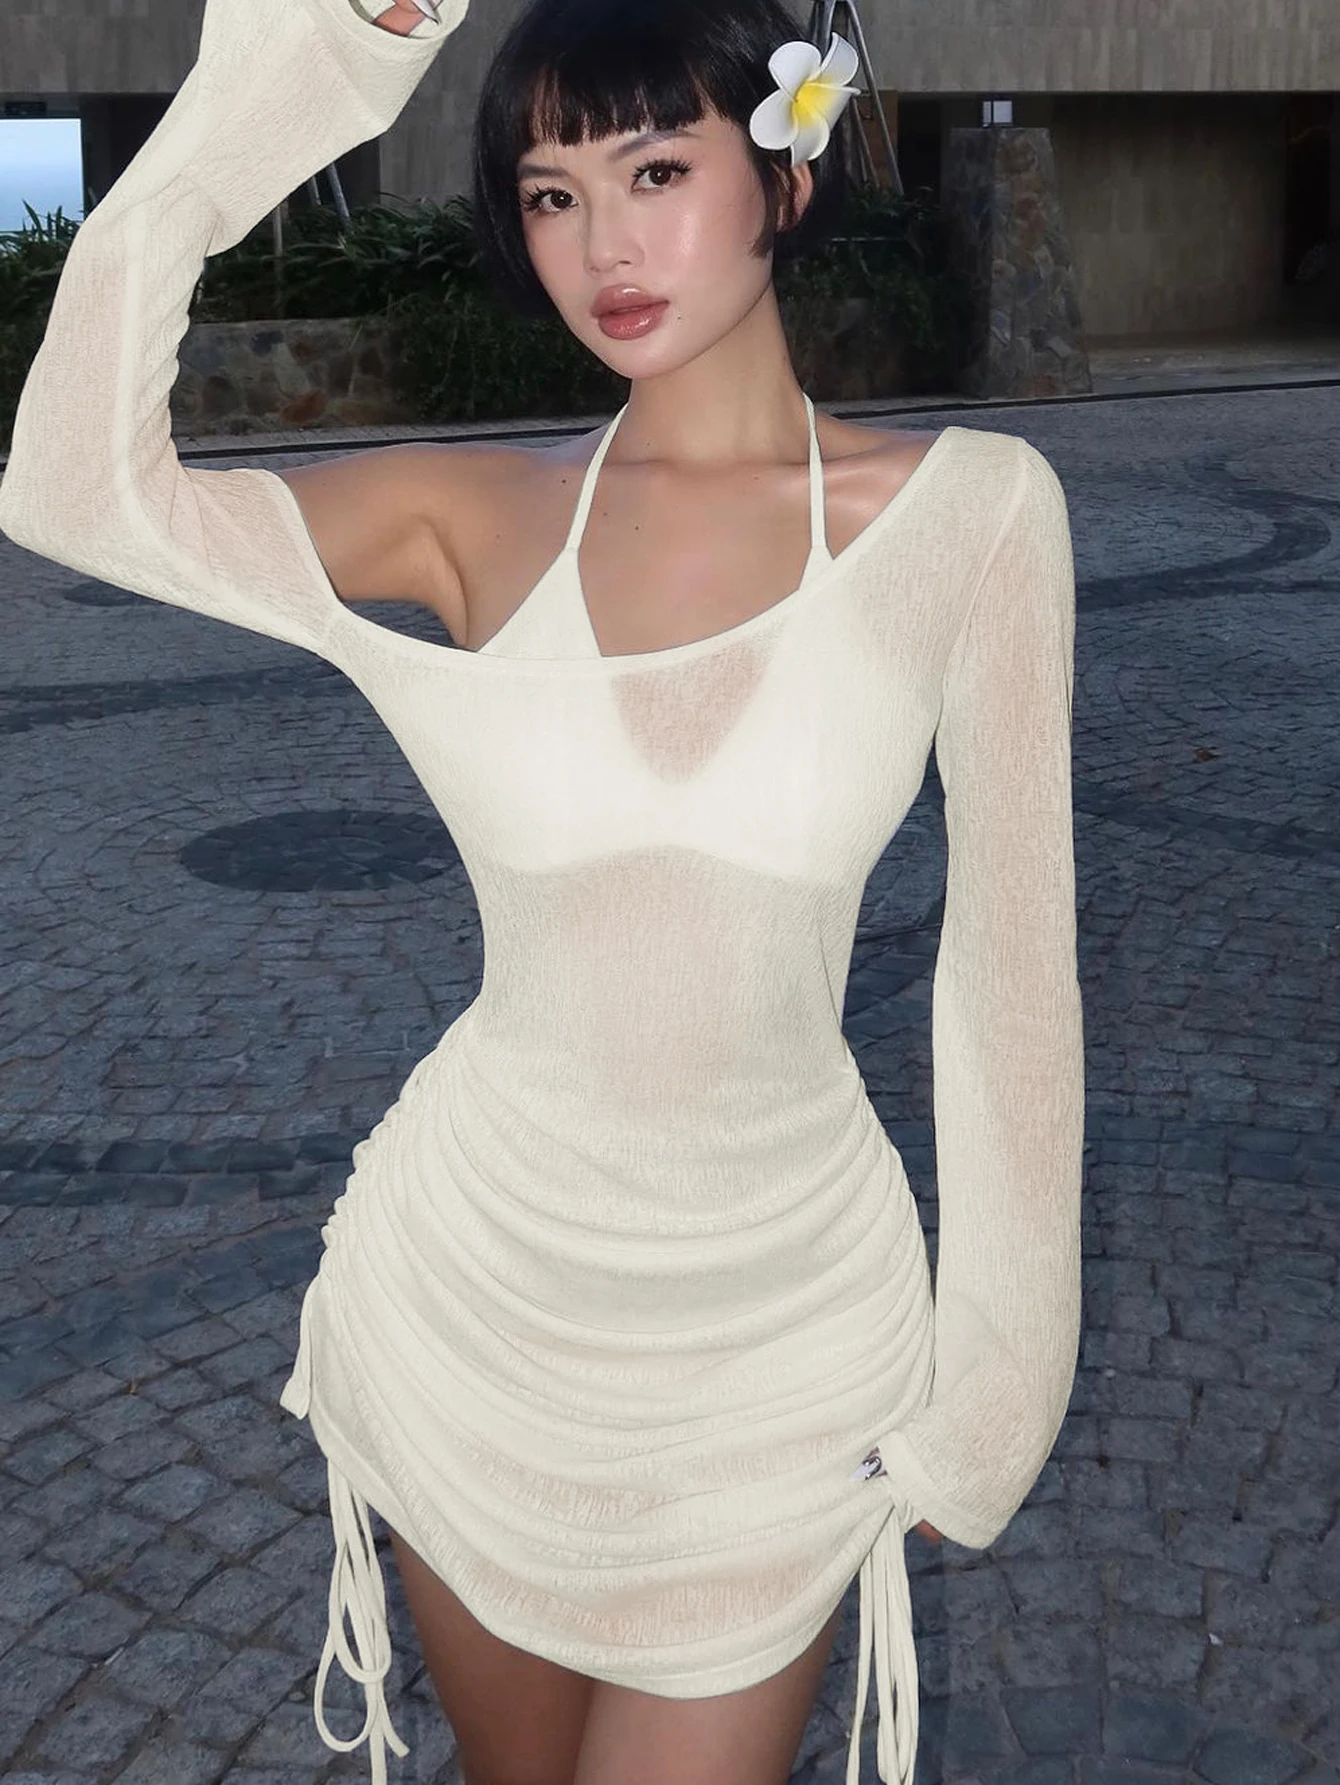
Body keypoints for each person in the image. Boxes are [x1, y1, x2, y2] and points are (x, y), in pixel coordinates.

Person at [0, 0, 1086, 1782]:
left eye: (657, 172)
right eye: (553, 194)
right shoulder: (474, 514)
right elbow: (68, 492)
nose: (604, 247)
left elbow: (1011, 974)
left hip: (779, 1346)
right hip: (479, 1311)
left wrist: (997, 1389)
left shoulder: (973, 518)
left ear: (784, 176)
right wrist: (287, 79)